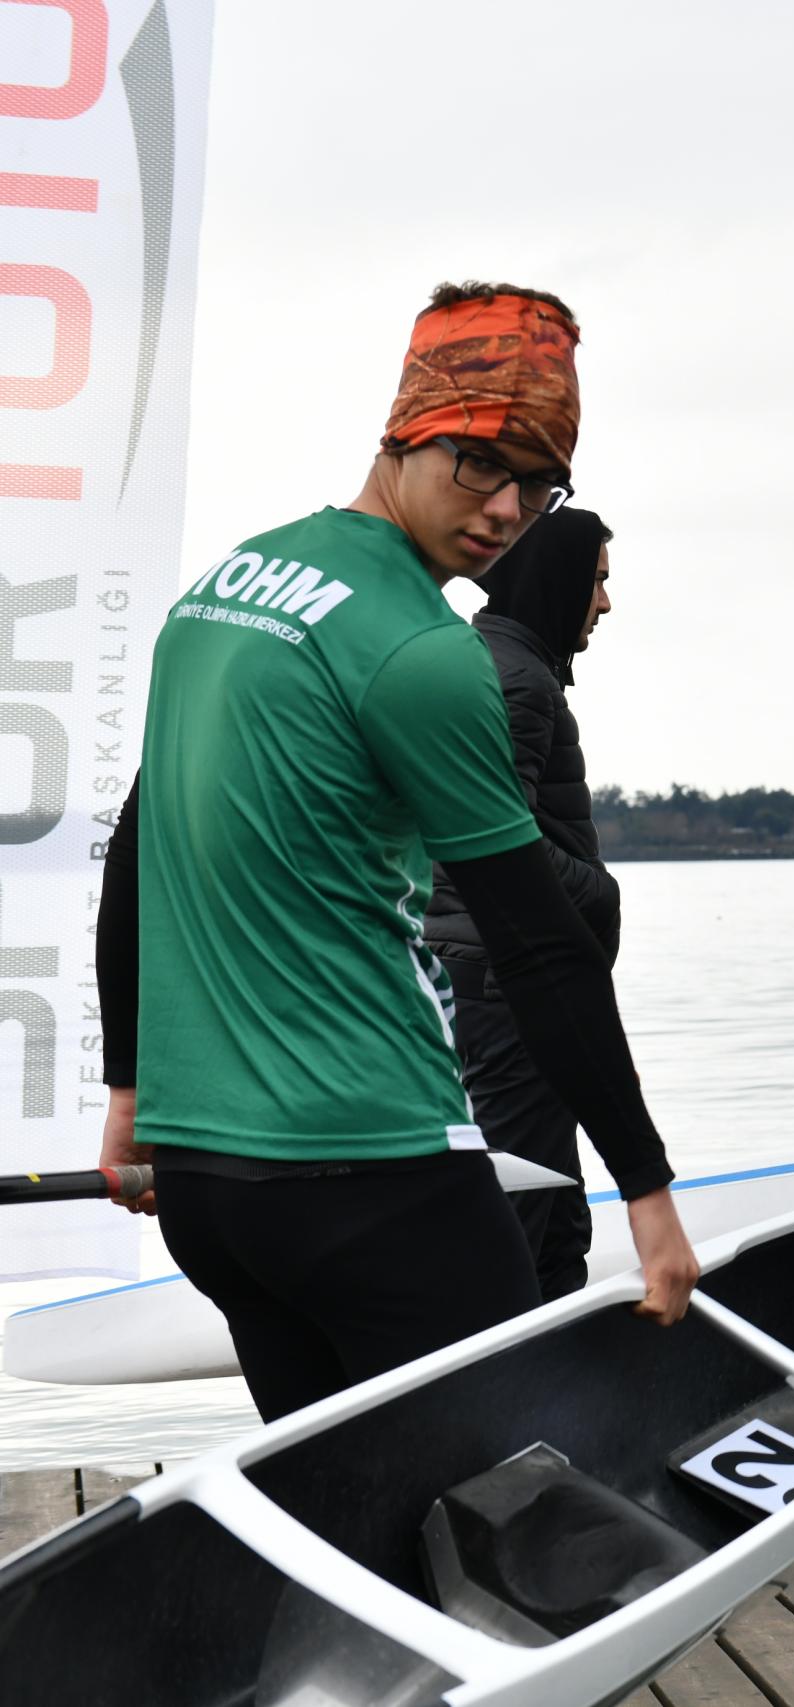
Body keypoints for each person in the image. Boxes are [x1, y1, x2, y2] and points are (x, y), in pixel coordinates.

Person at [97, 282, 697, 1422]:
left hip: (213, 1193)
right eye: (480, 463)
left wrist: (132, 1088)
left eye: (538, 481)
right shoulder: (420, 652)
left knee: (353, 1515)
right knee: (519, 1493)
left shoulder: (223, 591)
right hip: (366, 1168)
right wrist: (648, 1189)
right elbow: (540, 945)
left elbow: (138, 853)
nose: (507, 507)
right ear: (404, 433)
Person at [425, 506, 620, 1298]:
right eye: (598, 583)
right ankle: (495, 1401)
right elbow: (480, 844)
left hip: (505, 980)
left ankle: (556, 1396)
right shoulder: (515, 677)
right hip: (507, 987)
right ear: (557, 580)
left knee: (557, 1219)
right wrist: (598, 893)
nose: (605, 604)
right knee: (523, 1217)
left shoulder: (503, 662)